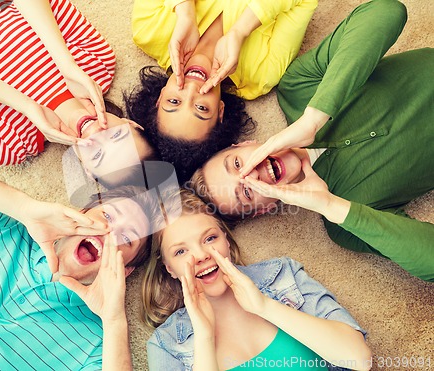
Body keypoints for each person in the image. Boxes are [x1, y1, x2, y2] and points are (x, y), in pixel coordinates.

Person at [189, 0, 434, 281]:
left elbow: (387, 12)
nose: (251, 174)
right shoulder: (343, 223)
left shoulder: (297, 87)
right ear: (265, 208)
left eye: (236, 164)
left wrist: (313, 118)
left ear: (244, 145)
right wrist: (330, 205)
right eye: (246, 192)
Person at [0, 146, 160, 370]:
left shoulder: (94, 345)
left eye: (128, 237)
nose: (110, 232)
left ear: (126, 269)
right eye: (108, 215)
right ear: (81, 213)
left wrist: (114, 321)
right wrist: (22, 207)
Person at [142, 190, 371, 370]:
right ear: (169, 268)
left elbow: (359, 359)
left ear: (227, 243)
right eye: (181, 252)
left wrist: (264, 306)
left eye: (210, 238)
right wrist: (204, 337)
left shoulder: (282, 274)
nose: (201, 255)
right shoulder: (166, 344)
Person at [0, 0, 153, 170]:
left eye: (97, 155)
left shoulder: (9, 146)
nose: (98, 136)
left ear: (85, 169)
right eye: (116, 136)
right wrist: (66, 65)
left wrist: (27, 107)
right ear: (131, 124)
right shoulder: (98, 65)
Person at [126, 0, 318, 181]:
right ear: (220, 111)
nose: (192, 89)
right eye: (201, 108)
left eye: (174, 101)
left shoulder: (148, 30)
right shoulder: (261, 74)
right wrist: (241, 30)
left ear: (159, 98)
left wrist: (185, 13)